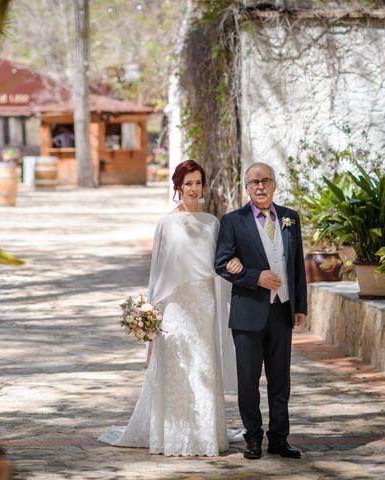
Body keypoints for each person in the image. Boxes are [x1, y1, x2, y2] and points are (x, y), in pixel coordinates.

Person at [99, 160, 243, 456]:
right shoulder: (165, 224)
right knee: (177, 367)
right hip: (175, 308)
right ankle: (173, 436)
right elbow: (157, 272)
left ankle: (206, 435)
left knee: (203, 365)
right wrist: (151, 315)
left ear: (204, 186)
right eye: (187, 183)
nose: (193, 188)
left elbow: (219, 267)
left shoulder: (212, 223)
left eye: (198, 183)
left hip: (205, 305)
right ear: (178, 187)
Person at [214, 161, 307, 460]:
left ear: (274, 184)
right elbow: (221, 263)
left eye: (265, 180)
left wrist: (300, 305)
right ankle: (253, 438)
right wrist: (256, 277)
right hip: (248, 314)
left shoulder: (290, 218)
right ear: (246, 188)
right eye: (254, 182)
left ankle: (279, 438)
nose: (260, 186)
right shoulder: (233, 220)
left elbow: (297, 266)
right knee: (248, 380)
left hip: (282, 311)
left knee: (281, 380)